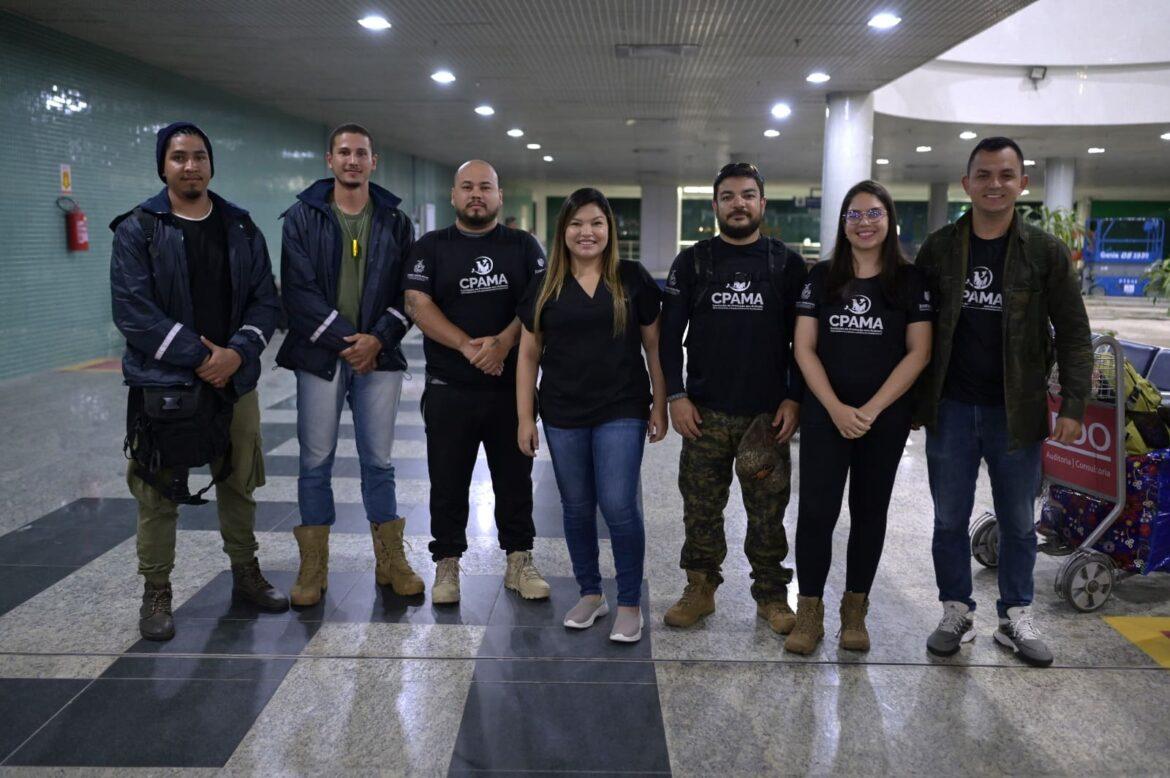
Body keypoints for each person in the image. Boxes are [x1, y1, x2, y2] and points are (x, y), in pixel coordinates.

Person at [915, 137, 1092, 667]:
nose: (995, 184)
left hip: (1017, 412)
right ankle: (956, 610)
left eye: (1006, 175)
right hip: (950, 407)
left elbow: (1076, 334)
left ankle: (1015, 615)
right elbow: (915, 327)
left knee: (1018, 522)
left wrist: (1075, 405)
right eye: (984, 175)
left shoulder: (1044, 252)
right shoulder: (939, 248)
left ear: (1023, 184)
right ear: (967, 183)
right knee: (949, 519)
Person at [111, 121, 286, 641]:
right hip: (164, 385)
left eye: (199, 156)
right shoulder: (138, 229)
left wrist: (237, 354)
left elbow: (266, 300)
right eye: (179, 156)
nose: (191, 166)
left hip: (234, 382)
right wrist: (199, 356)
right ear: (163, 165)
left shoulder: (240, 226)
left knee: (239, 481)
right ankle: (157, 591)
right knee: (157, 489)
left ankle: (245, 572)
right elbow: (133, 312)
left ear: (211, 164)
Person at [658, 162, 807, 634]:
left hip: (766, 417)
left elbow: (805, 341)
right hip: (703, 414)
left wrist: (794, 399)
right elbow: (666, 337)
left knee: (768, 514)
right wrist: (676, 397)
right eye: (728, 196)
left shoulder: (786, 264)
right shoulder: (695, 262)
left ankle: (771, 596)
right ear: (715, 204)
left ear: (762, 203)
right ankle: (700, 589)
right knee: (700, 508)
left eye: (747, 195)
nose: (738, 204)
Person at [276, 123, 422, 606]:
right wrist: (348, 341)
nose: (353, 161)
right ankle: (313, 568)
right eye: (344, 152)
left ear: (373, 161)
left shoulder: (396, 221)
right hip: (320, 355)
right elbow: (296, 292)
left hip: (378, 356)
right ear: (329, 159)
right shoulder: (302, 218)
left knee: (378, 462)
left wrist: (376, 340)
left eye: (361, 153)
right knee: (314, 462)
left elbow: (410, 292)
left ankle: (391, 561)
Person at [785, 180, 933, 654]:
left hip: (882, 419)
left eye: (873, 214)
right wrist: (834, 407)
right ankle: (809, 613)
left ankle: (855, 612)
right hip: (827, 415)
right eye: (854, 214)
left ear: (889, 221)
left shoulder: (910, 282)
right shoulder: (821, 277)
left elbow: (919, 353)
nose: (864, 223)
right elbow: (804, 348)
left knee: (870, 513)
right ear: (843, 223)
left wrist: (869, 410)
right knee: (815, 514)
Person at [516, 187, 667, 642]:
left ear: (609, 230)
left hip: (621, 407)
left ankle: (627, 603)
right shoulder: (545, 285)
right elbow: (527, 355)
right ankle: (590, 593)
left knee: (619, 505)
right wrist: (526, 417)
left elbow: (654, 348)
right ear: (563, 231)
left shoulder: (632, 278)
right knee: (577, 507)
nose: (587, 232)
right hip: (562, 411)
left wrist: (660, 403)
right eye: (577, 224)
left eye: (596, 223)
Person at [403, 160, 550, 604]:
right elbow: (417, 303)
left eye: (485, 187)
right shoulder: (430, 247)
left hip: (509, 390)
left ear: (499, 196)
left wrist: (504, 343)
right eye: (467, 187)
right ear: (453, 195)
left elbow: (538, 299)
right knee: (447, 481)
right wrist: (468, 347)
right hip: (450, 389)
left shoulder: (523, 246)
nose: (476, 195)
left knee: (514, 480)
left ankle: (518, 561)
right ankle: (447, 565)